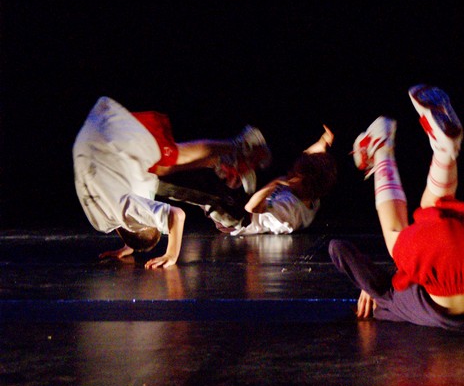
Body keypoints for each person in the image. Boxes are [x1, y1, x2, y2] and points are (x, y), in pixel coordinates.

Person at [329, 85, 464, 331]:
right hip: (460, 260)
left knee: (431, 212)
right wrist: (366, 284)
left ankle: (438, 153)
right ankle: (387, 149)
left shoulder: (396, 300)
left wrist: (371, 285)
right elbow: (338, 248)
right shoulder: (389, 299)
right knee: (402, 234)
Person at [73, 96, 270, 269]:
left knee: (174, 157)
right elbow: (126, 222)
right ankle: (221, 161)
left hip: (117, 138)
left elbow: (176, 215)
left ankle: (241, 144)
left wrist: (171, 255)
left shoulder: (129, 211)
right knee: (160, 169)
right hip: (96, 129)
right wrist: (130, 245)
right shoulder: (102, 222)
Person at [204, 125, 337, 235]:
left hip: (239, 218)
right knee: (258, 156)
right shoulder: (309, 193)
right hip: (250, 198)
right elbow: (308, 162)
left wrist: (275, 183)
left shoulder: (290, 214)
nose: (289, 173)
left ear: (306, 185)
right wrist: (323, 142)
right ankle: (230, 164)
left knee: (204, 186)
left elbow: (250, 208)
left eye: (294, 173)